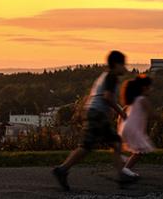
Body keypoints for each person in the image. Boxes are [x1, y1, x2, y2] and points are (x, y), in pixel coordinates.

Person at [51, 50, 129, 190]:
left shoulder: (104, 76)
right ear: (116, 64)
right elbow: (107, 98)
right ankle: (62, 169)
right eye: (123, 64)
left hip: (94, 112)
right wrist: (121, 113)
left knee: (114, 142)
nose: (125, 68)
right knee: (87, 146)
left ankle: (121, 175)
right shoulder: (111, 77)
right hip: (97, 113)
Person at [118, 74, 155, 179]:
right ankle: (126, 169)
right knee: (140, 151)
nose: (151, 90)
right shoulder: (142, 99)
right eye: (149, 87)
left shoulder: (133, 100)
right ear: (144, 88)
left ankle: (124, 162)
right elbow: (152, 114)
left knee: (137, 150)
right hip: (133, 129)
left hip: (127, 128)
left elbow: (124, 113)